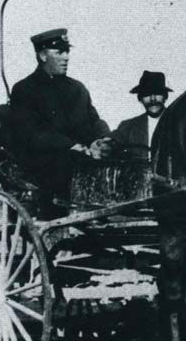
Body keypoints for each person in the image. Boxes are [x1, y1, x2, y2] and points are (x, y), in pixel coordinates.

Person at [9, 28, 112, 217]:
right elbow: (31, 134)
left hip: (79, 160)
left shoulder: (77, 89)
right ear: (43, 56)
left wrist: (102, 139)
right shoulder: (24, 89)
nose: (66, 57)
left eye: (67, 52)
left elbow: (94, 121)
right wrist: (71, 146)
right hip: (43, 163)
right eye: (59, 52)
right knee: (67, 163)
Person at [112, 70, 173, 161]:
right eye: (147, 94)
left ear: (165, 96)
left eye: (157, 93)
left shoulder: (178, 123)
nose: (153, 99)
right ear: (140, 99)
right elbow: (108, 143)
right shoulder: (128, 127)